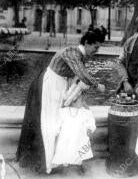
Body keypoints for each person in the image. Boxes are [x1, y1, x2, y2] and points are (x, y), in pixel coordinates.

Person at [16, 29, 106, 174]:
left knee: (55, 123)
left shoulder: (80, 56)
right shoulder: (71, 52)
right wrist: (97, 85)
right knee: (48, 124)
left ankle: (52, 162)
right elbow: (82, 74)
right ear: (87, 43)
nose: (97, 50)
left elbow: (74, 79)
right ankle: (46, 165)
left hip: (58, 87)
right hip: (49, 87)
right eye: (96, 47)